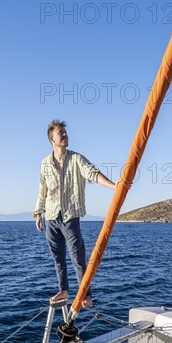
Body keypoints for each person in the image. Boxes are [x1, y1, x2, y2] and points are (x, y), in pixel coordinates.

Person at [33, 120, 117, 306]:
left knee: (78, 257)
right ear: (51, 139)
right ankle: (63, 290)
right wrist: (38, 212)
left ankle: (85, 295)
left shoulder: (77, 159)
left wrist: (114, 187)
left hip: (70, 216)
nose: (65, 135)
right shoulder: (44, 163)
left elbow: (93, 174)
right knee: (58, 258)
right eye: (61, 133)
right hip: (51, 217)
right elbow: (42, 189)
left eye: (65, 132)